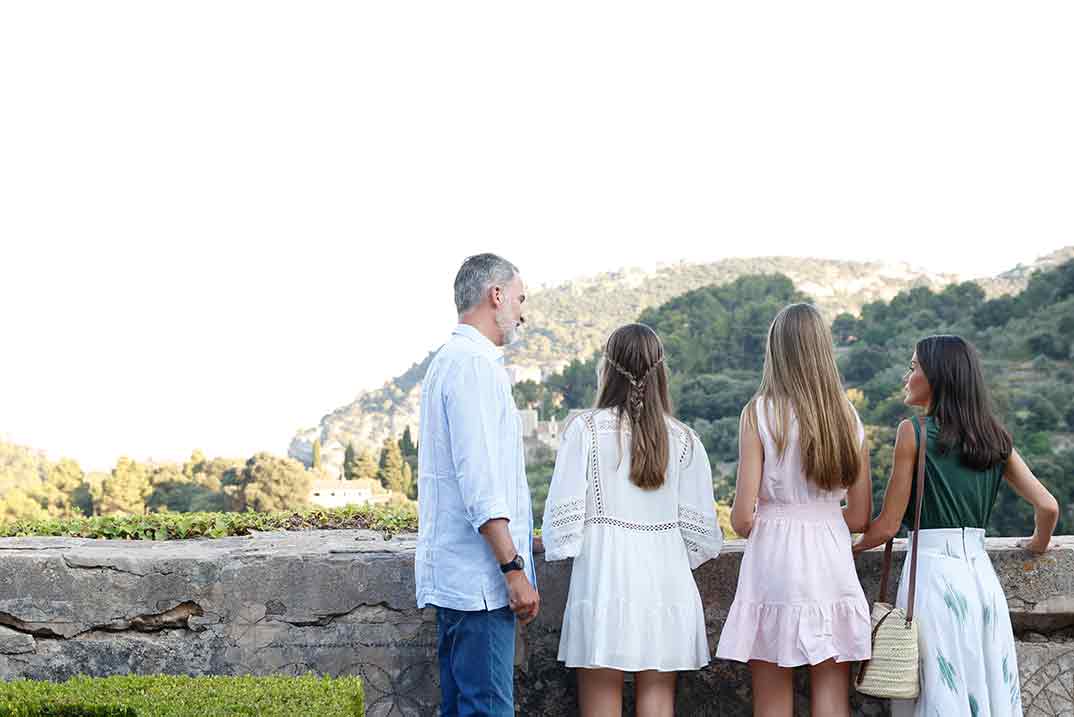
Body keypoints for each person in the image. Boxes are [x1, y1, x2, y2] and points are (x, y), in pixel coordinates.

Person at [853, 335, 1059, 716]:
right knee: (988, 687)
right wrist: (1037, 544)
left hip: (934, 580)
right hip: (981, 581)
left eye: (914, 367)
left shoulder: (913, 432)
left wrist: (843, 547)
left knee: (939, 690)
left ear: (936, 377)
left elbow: (887, 527)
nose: (907, 374)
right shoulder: (996, 439)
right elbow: (1048, 506)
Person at [542, 323, 722, 717]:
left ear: (607, 369)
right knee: (658, 698)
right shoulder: (685, 439)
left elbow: (562, 526)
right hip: (666, 578)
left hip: (606, 575)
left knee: (601, 695)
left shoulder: (585, 431)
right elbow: (704, 538)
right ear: (661, 372)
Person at [715, 303, 873, 717]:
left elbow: (742, 518)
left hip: (775, 560)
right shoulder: (848, 417)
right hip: (831, 558)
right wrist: (819, 519)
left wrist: (779, 519)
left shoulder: (759, 413)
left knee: (771, 695)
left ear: (775, 352)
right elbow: (858, 517)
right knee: (831, 694)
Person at [415, 253, 540, 717]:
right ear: (496, 295)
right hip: (482, 586)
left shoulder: (448, 362)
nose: (522, 313)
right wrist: (513, 568)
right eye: (520, 299)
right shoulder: (473, 367)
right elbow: (481, 482)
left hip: (459, 579)